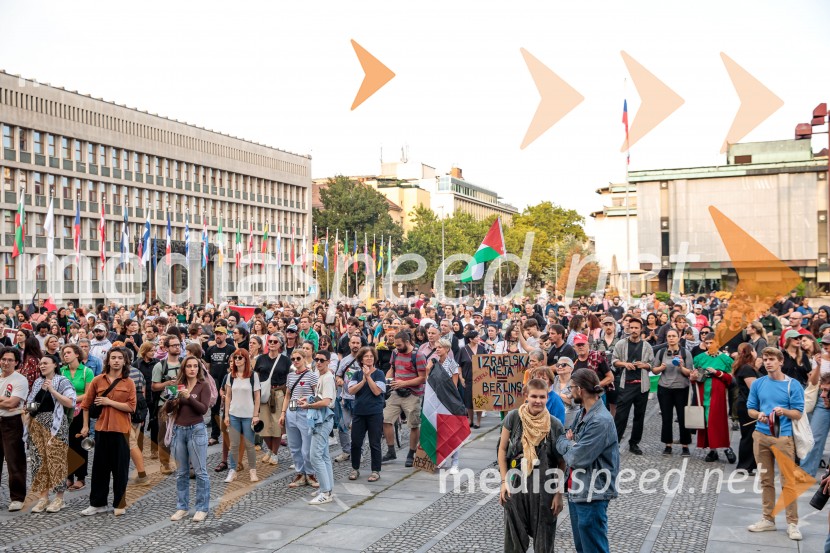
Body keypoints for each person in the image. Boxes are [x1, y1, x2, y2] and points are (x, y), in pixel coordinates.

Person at [498, 378, 565, 553]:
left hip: (545, 491)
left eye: (542, 397)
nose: (538, 401)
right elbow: (502, 450)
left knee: (544, 543)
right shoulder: (513, 417)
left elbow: (561, 462)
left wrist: (558, 493)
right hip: (516, 487)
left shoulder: (555, 424)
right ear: (526, 396)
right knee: (514, 542)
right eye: (534, 396)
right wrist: (504, 482)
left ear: (547, 397)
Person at [556, 368, 619, 553]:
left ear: (581, 390)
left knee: (593, 548)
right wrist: (569, 442)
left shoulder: (600, 421)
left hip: (593, 492)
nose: (570, 392)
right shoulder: (582, 413)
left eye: (572, 388)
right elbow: (563, 439)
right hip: (577, 489)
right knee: (582, 548)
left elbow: (576, 457)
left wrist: (568, 443)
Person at [746, 347, 805, 541]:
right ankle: (768, 519)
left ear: (781, 361)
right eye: (765, 359)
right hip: (761, 436)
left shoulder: (793, 384)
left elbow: (798, 412)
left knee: (788, 481)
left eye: (772, 359)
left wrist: (783, 412)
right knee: (766, 480)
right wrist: (759, 414)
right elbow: (750, 410)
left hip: (783, 437)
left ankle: (792, 523)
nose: (768, 362)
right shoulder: (758, 383)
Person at [79, 347, 137, 516]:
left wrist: (109, 402)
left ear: (125, 361)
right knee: (99, 469)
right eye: (113, 357)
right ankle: (98, 503)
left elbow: (131, 407)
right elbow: (85, 405)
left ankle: (120, 503)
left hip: (121, 430)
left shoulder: (129, 382)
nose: (117, 360)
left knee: (121, 469)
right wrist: (84, 426)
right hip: (102, 429)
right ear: (108, 360)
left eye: (120, 357)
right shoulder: (98, 380)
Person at [25, 355, 76, 513]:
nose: (42, 366)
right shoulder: (38, 382)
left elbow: (70, 402)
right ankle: (43, 497)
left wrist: (52, 390)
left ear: (55, 364)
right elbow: (31, 405)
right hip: (37, 424)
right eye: (41, 363)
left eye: (45, 363)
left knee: (56, 460)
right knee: (38, 461)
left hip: (56, 424)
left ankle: (59, 498)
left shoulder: (62, 381)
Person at [167, 355, 212, 522]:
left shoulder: (203, 386)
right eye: (189, 366)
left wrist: (188, 397)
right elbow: (172, 408)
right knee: (181, 472)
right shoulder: (179, 386)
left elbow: (203, 409)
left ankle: (202, 508)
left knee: (200, 471)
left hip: (196, 430)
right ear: (184, 369)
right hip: (179, 430)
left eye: (195, 366)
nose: (192, 369)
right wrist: (171, 400)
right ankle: (182, 507)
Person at [383, 330, 427, 467]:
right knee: (385, 420)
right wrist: (387, 379)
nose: (397, 347)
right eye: (395, 345)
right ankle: (391, 450)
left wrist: (404, 383)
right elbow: (392, 368)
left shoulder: (418, 356)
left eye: (399, 345)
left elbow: (423, 378)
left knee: (414, 424)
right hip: (396, 392)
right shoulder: (395, 353)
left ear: (407, 342)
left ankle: (411, 453)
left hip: (413, 394)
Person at [611, 317, 654, 455]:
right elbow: (614, 361)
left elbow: (652, 364)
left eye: (637, 328)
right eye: (632, 327)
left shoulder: (647, 346)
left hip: (642, 386)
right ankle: (614, 443)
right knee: (621, 416)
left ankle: (634, 443)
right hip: (626, 384)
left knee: (639, 416)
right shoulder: (621, 344)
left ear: (641, 329)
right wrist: (625, 364)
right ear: (628, 328)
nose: (634, 330)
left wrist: (644, 365)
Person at [280, 348, 319, 488]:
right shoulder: (290, 376)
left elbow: (317, 394)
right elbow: (287, 396)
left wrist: (309, 403)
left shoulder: (312, 375)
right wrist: (283, 413)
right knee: (294, 446)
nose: (296, 361)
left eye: (298, 358)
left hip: (305, 412)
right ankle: (300, 473)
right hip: (292, 411)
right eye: (293, 359)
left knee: (307, 447)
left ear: (304, 359)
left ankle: (310, 473)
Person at [692, 338, 736, 463]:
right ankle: (713, 450)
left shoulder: (725, 359)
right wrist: (693, 377)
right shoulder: (699, 358)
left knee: (717, 421)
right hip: (703, 393)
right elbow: (695, 376)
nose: (709, 345)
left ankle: (726, 447)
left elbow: (730, 378)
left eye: (712, 343)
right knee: (705, 422)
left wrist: (717, 373)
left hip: (718, 394)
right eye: (707, 343)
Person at [652, 328, 693, 456]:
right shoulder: (661, 352)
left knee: (683, 418)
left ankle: (685, 445)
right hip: (664, 388)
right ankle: (667, 444)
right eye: (669, 336)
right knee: (666, 417)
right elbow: (654, 370)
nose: (671, 338)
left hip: (682, 389)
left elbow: (690, 373)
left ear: (678, 337)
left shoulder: (685, 353)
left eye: (673, 336)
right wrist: (661, 367)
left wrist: (681, 366)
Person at [347, 346, 386, 482]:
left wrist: (368, 377)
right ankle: (355, 468)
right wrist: (363, 379)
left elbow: (377, 391)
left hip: (374, 412)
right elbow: (351, 391)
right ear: (361, 359)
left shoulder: (379, 373)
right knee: (356, 442)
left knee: (374, 442)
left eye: (371, 356)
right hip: (359, 412)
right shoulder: (357, 374)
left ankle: (375, 470)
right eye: (366, 356)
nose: (369, 358)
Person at [223, 349, 261, 483]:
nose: (237, 360)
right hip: (234, 414)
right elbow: (228, 396)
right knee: (233, 444)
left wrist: (255, 415)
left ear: (245, 359)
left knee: (250, 444)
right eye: (235, 358)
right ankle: (232, 470)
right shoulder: (230, 376)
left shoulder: (253, 376)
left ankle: (252, 470)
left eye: (240, 357)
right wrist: (226, 415)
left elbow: (257, 396)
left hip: (248, 415)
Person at [60, 344, 94, 491]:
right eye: (64, 353)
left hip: (80, 412)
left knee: (79, 445)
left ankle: (81, 478)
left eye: (68, 352)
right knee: (66, 446)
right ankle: (68, 477)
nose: (65, 355)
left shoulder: (87, 371)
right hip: (63, 412)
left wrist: (72, 400)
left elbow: (88, 394)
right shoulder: (61, 371)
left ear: (77, 354)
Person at [304, 349, 336, 504]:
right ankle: (327, 487)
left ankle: (326, 492)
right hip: (321, 419)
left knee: (315, 456)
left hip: (323, 420)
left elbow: (326, 401)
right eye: (316, 359)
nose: (318, 362)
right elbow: (321, 397)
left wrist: (308, 405)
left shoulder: (328, 378)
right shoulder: (321, 376)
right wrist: (309, 399)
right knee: (323, 456)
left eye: (322, 360)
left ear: (328, 361)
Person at [254, 334, 290, 467]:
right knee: (262, 425)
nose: (272, 343)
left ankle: (274, 453)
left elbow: (289, 378)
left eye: (275, 342)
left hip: (278, 393)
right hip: (263, 394)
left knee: (276, 426)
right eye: (270, 341)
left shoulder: (285, 360)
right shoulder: (261, 359)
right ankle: (269, 449)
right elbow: (256, 376)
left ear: (280, 345)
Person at [0, 347, 28, 511]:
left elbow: (13, 403)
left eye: (10, 360)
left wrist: (7, 401)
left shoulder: (20, 379)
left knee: (14, 460)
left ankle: (17, 498)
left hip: (12, 422)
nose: (6, 362)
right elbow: (7, 401)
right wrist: (4, 399)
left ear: (16, 362)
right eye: (4, 359)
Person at [151, 335, 183, 474]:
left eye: (178, 344)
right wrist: (167, 383)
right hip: (164, 404)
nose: (177, 347)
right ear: (166, 348)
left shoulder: (184, 363)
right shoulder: (160, 366)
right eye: (174, 345)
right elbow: (154, 386)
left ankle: (183, 462)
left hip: (183, 403)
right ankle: (165, 463)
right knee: (164, 435)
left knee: (183, 434)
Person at [802, 340, 830, 476]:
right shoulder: (819, 358)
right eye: (824, 344)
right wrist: (818, 365)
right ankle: (806, 473)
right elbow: (813, 382)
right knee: (814, 437)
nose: (826, 346)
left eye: (828, 344)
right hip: (823, 400)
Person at [733, 343, 762, 473]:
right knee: (748, 436)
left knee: (750, 435)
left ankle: (749, 465)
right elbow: (754, 389)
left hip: (745, 404)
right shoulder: (747, 369)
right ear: (751, 352)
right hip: (747, 405)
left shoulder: (747, 367)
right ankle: (744, 465)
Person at [334, 334, 363, 463]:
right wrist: (339, 381)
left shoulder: (365, 358)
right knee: (342, 426)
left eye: (358, 343)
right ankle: (346, 451)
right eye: (353, 343)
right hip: (346, 398)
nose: (355, 345)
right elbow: (338, 375)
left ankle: (359, 452)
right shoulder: (345, 360)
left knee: (359, 428)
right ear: (349, 344)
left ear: (361, 344)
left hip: (360, 399)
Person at [205, 326, 235, 445]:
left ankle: (229, 434)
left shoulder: (231, 349)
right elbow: (207, 367)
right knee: (215, 410)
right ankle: (214, 435)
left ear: (226, 336)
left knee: (229, 410)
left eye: (221, 334)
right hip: (214, 383)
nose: (218, 336)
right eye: (216, 333)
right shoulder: (210, 350)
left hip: (228, 382)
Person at [458, 330, 486, 429]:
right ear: (470, 339)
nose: (479, 338)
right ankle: (470, 419)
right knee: (468, 400)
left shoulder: (482, 349)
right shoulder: (463, 350)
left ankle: (478, 421)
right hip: (468, 378)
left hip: (480, 379)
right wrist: (461, 378)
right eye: (476, 337)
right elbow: (459, 365)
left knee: (479, 400)